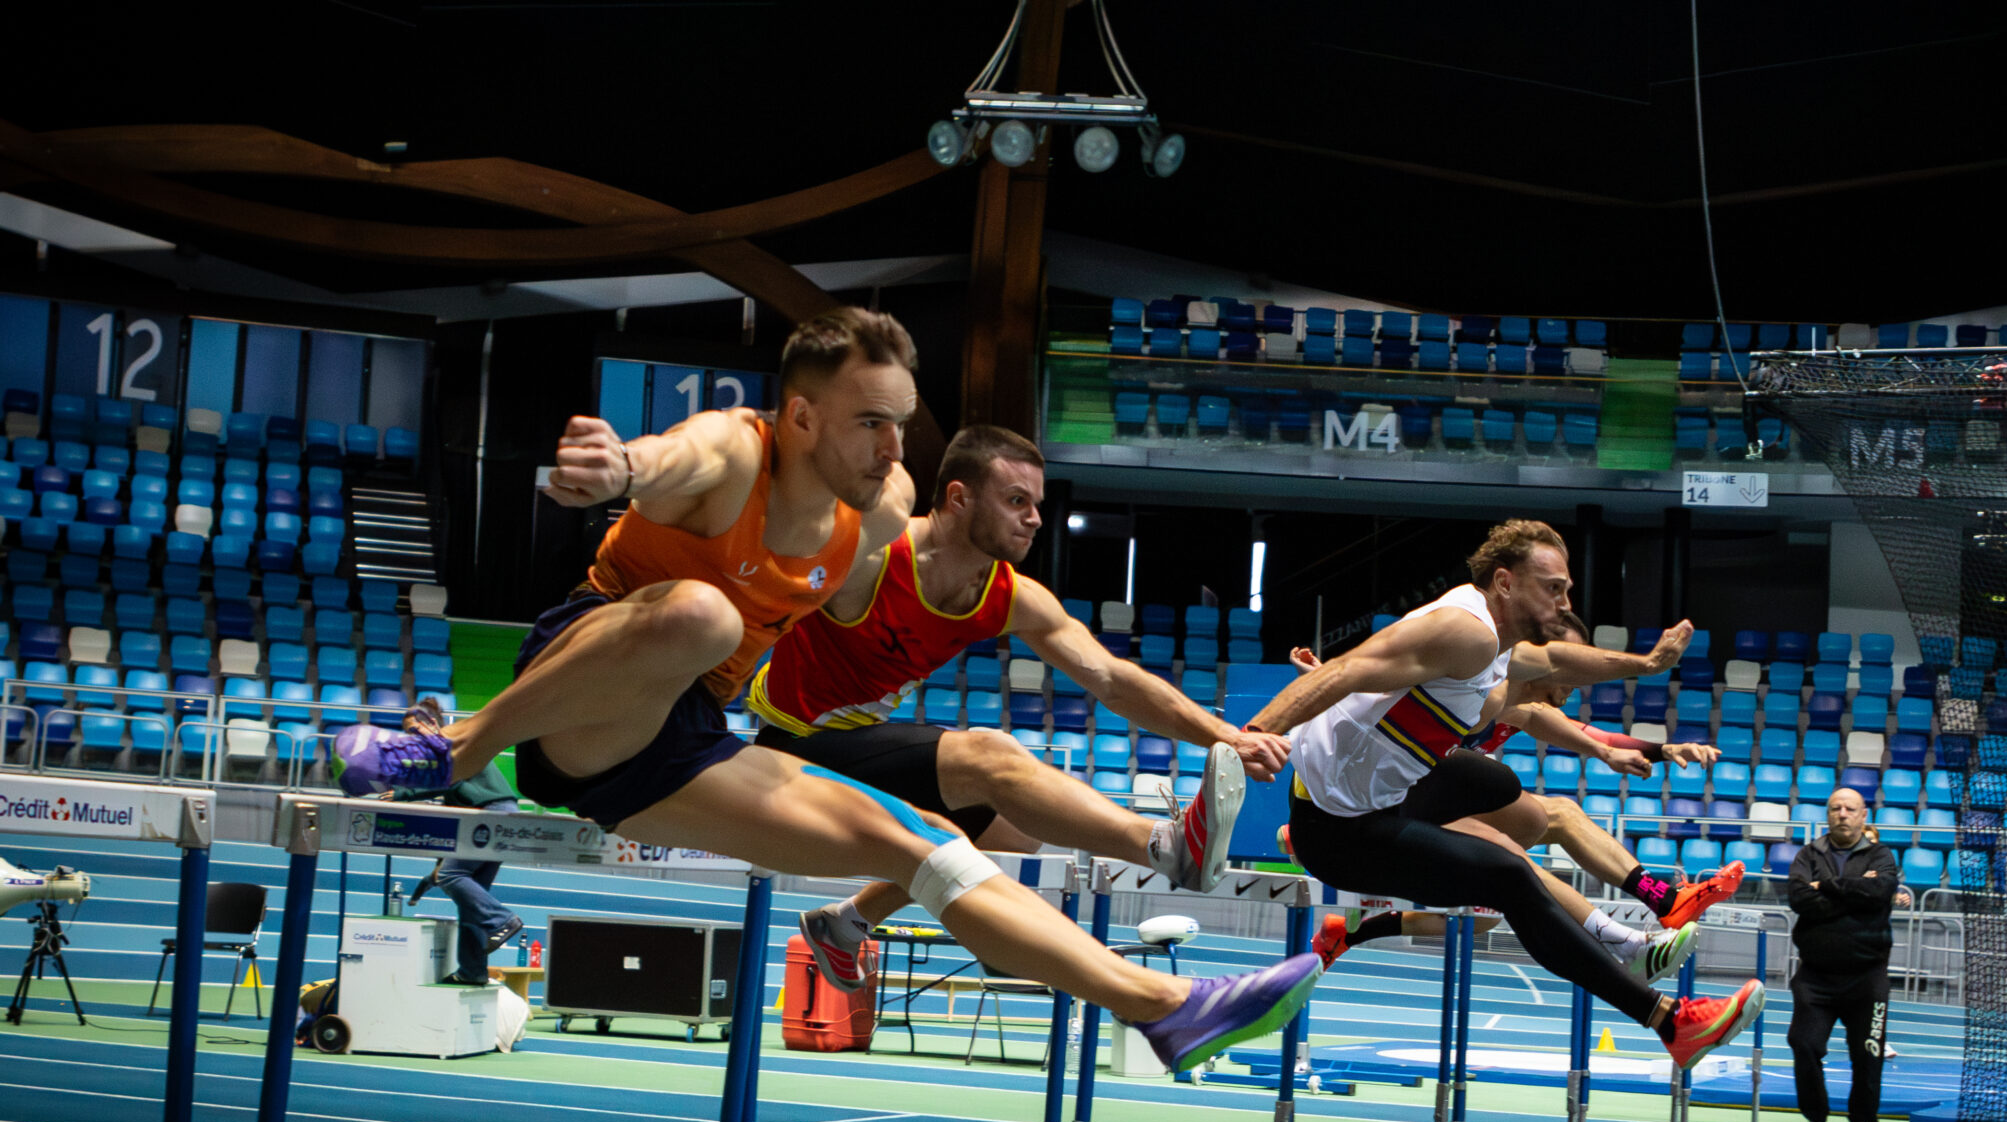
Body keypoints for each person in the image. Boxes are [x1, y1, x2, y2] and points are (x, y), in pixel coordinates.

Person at [329, 307, 1320, 1073]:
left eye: (902, 425)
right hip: (590, 692)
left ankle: (1164, 1008)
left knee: (927, 843)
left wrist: (1215, 734)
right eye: (871, 424)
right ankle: (453, 745)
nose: (894, 449)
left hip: (682, 745)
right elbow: (665, 460)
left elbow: (1097, 666)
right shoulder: (737, 453)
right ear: (802, 417)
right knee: (707, 618)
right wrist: (620, 464)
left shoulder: (879, 514)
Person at [751, 425, 1286, 978]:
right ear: (958, 498)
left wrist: (1225, 735)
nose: (1033, 518)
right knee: (990, 756)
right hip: (788, 749)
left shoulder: (1009, 596)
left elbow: (1112, 678)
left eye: (1036, 504)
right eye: (1015, 501)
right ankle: (1166, 847)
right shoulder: (873, 557)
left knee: (1017, 831)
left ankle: (844, 923)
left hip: (855, 745)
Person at [1242, 519, 1764, 1074]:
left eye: (1567, 589)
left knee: (1496, 784)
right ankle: (1670, 1021)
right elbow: (1346, 671)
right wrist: (1248, 737)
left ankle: (1610, 919)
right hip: (1340, 828)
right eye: (1553, 588)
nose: (1565, 602)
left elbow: (1560, 661)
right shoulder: (1465, 631)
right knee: (1510, 877)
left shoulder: (1500, 649)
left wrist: (1647, 665)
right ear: (1506, 582)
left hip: (1379, 793)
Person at [1285, 620, 1738, 986]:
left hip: (1433, 800)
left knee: (1494, 904)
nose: (1580, 680)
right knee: (1514, 856)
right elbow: (1385, 685)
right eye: (1574, 666)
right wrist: (1330, 679)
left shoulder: (1522, 706)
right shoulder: (1481, 686)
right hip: (1383, 805)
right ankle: (1631, 943)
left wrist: (1661, 750)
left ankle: (1352, 931)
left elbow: (1590, 736)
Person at [1783, 786, 1908, 1122]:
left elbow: (1881, 891)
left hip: (1867, 977)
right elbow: (1799, 898)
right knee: (1804, 1045)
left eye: (1850, 809)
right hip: (1815, 976)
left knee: (1868, 1053)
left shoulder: (1881, 855)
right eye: (1835, 808)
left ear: (1863, 815)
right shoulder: (1808, 855)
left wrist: (1828, 887)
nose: (1842, 814)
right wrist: (1857, 894)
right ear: (1827, 814)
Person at [386, 701, 526, 986]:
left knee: (452, 875)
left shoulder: (447, 741)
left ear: (431, 723)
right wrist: (434, 872)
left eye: (414, 729)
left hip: (492, 813)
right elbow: (454, 816)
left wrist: (403, 794)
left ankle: (501, 920)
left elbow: (446, 781)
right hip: (498, 815)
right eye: (407, 732)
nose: (412, 737)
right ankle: (472, 972)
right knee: (470, 900)